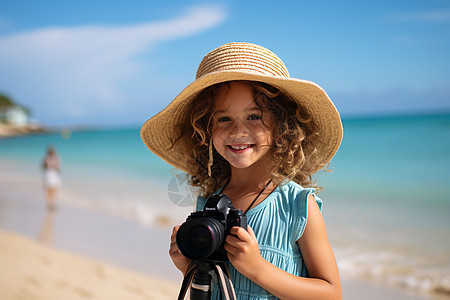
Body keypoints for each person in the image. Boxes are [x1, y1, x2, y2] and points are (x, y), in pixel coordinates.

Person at [141, 42, 343, 299]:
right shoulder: (209, 204)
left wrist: (258, 269)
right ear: (206, 129)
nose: (237, 131)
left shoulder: (297, 205)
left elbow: (332, 293)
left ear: (281, 126)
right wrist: (189, 268)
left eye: (254, 116)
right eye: (223, 119)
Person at [42, 145, 61, 211]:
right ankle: (50, 204)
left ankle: (51, 204)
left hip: (53, 175)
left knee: (53, 190)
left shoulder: (55, 158)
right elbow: (43, 167)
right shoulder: (46, 158)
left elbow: (58, 167)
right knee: (50, 190)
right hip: (49, 175)